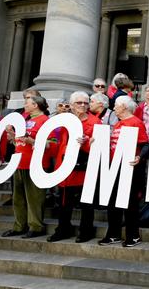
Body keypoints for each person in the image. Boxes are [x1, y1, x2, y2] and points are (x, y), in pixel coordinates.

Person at [47, 92, 100, 243]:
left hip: (85, 167)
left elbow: (98, 147)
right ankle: (63, 229)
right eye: (79, 103)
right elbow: (58, 144)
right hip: (65, 167)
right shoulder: (65, 121)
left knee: (86, 202)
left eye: (85, 103)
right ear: (71, 105)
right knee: (64, 202)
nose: (83, 105)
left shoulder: (95, 122)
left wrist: (87, 142)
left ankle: (86, 231)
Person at [98, 96, 149, 248]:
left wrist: (139, 157)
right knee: (113, 202)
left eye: (116, 106)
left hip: (129, 168)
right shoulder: (119, 123)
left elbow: (145, 144)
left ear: (124, 107)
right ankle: (113, 234)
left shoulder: (136, 122)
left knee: (130, 203)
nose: (113, 108)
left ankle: (133, 236)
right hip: (115, 167)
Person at [1, 96, 50, 238]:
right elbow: (20, 143)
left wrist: (32, 141)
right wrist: (13, 136)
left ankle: (36, 226)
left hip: (34, 164)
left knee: (34, 198)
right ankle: (19, 225)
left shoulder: (45, 121)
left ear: (35, 105)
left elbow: (50, 144)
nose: (24, 105)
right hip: (19, 162)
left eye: (27, 103)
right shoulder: (26, 119)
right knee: (18, 198)